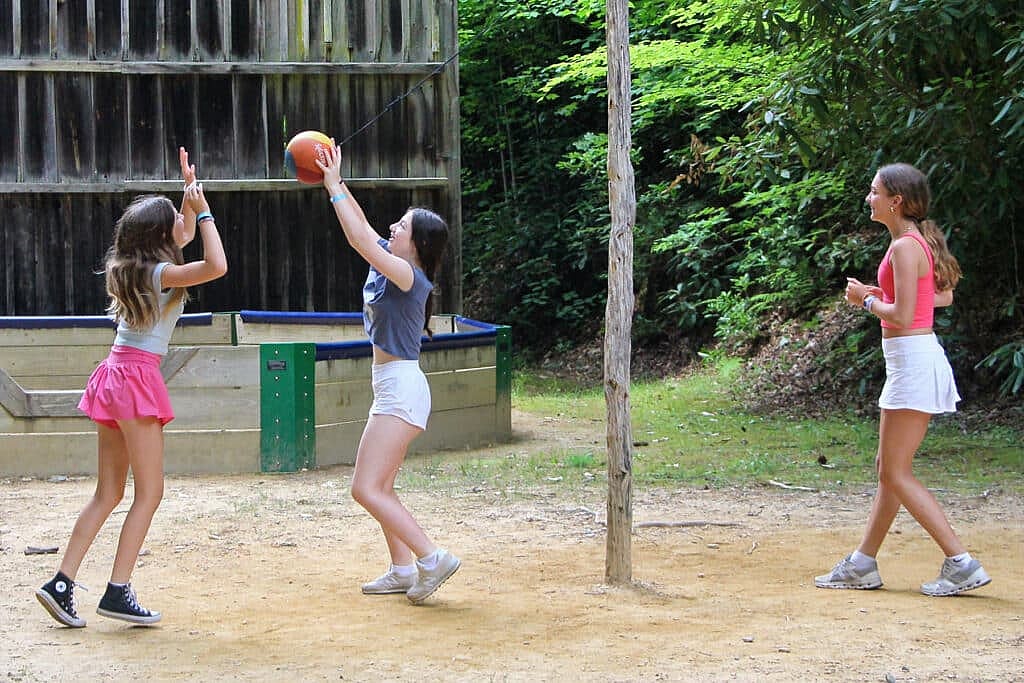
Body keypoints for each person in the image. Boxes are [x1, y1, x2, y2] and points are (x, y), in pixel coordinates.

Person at [35, 148, 228, 627]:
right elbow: (217, 263)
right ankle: (117, 591)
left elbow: (181, 233)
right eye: (171, 228)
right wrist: (203, 209)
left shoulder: (133, 266)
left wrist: (187, 193)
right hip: (137, 378)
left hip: (115, 373)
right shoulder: (163, 273)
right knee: (150, 492)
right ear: (160, 240)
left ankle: (61, 583)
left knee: (108, 493)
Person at [815, 162, 990, 597]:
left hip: (913, 361)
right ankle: (862, 563)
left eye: (874, 192)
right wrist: (878, 296)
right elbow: (939, 297)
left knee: (894, 471)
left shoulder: (905, 248)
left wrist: (863, 300)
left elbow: (901, 312)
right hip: (911, 360)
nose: (868, 198)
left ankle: (960, 562)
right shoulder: (913, 243)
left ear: (896, 200)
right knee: (889, 470)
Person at [316, 143, 459, 604]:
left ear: (415, 245)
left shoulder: (407, 276)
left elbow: (357, 237)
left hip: (402, 390)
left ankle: (431, 557)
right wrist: (334, 183)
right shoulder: (390, 262)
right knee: (382, 486)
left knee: (365, 488)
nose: (392, 226)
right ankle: (402, 568)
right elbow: (361, 226)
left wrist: (334, 185)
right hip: (393, 388)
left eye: (402, 226)